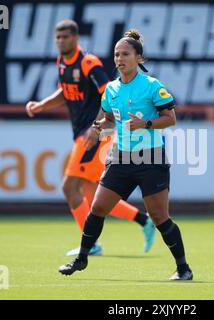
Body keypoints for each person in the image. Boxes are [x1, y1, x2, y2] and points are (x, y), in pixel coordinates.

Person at [59, 29, 193, 280]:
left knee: (160, 217)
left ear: (138, 58)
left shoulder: (152, 86)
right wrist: (99, 128)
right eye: (116, 54)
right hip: (120, 157)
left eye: (126, 54)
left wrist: (146, 124)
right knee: (98, 207)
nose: (120, 59)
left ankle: (183, 267)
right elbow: (110, 120)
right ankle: (82, 258)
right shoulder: (110, 89)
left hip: (150, 159)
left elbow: (170, 118)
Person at [25, 20, 155, 257]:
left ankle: (91, 244)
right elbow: (65, 91)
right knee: (92, 194)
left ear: (75, 38)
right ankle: (143, 220)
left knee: (69, 186)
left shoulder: (88, 63)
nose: (61, 41)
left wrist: (96, 128)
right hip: (83, 133)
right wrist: (42, 105)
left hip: (96, 133)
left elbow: (108, 93)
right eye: (58, 37)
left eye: (65, 37)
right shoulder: (62, 62)